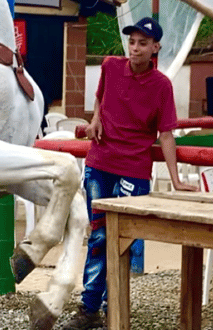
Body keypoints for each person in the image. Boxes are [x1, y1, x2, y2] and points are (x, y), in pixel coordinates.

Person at [63, 17, 199, 330]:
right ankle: (89, 309)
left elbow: (166, 134)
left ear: (155, 48)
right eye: (132, 42)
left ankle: (116, 306)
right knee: (98, 236)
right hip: (99, 163)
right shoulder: (110, 66)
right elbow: (100, 96)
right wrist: (95, 119)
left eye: (142, 43)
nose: (135, 48)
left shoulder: (162, 86)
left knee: (124, 238)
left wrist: (176, 179)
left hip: (134, 171)